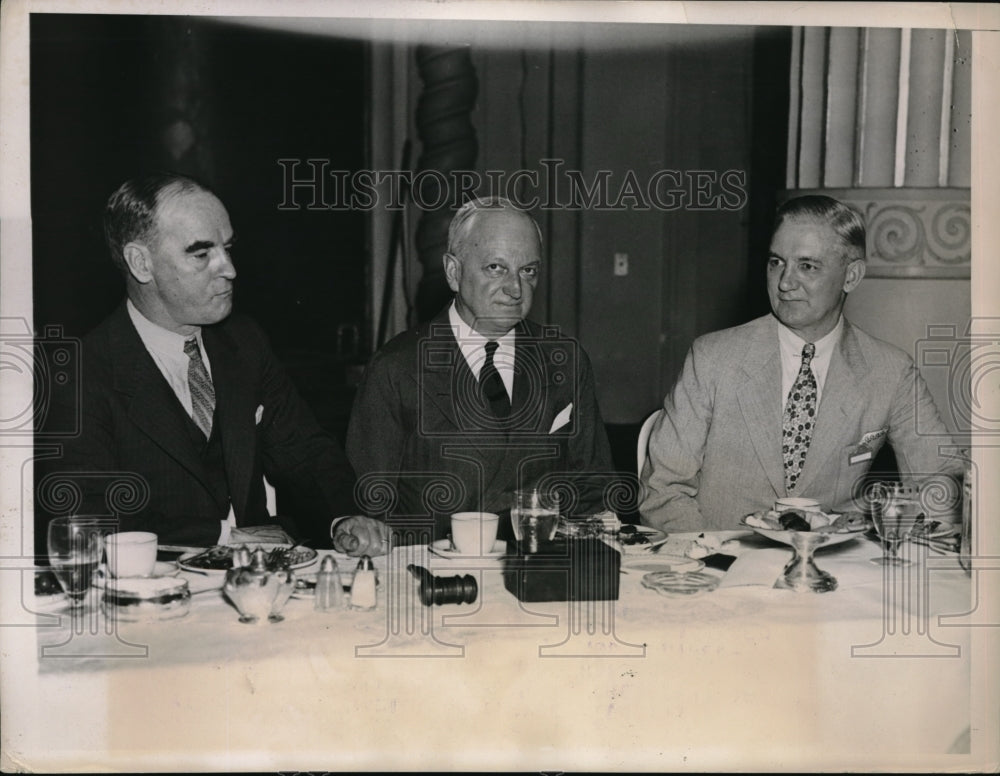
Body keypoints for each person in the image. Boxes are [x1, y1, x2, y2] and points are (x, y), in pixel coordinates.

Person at [36, 173, 387, 555]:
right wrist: (223, 538)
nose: (229, 269)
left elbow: (304, 449)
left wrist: (344, 517)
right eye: (202, 254)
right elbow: (89, 516)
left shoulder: (244, 342)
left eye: (228, 247)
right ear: (141, 263)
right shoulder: (81, 373)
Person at [639, 195, 962, 531]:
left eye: (807, 266)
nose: (785, 282)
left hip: (833, 573)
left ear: (851, 276)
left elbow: (943, 481)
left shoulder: (891, 372)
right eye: (776, 262)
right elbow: (662, 489)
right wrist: (715, 559)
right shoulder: (713, 358)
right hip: (721, 567)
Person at [346, 197, 617, 541]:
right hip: (434, 577)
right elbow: (369, 514)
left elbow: (594, 489)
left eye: (528, 270)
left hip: (539, 571)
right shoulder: (396, 368)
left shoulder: (564, 359)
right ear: (453, 273)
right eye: (496, 268)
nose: (515, 289)